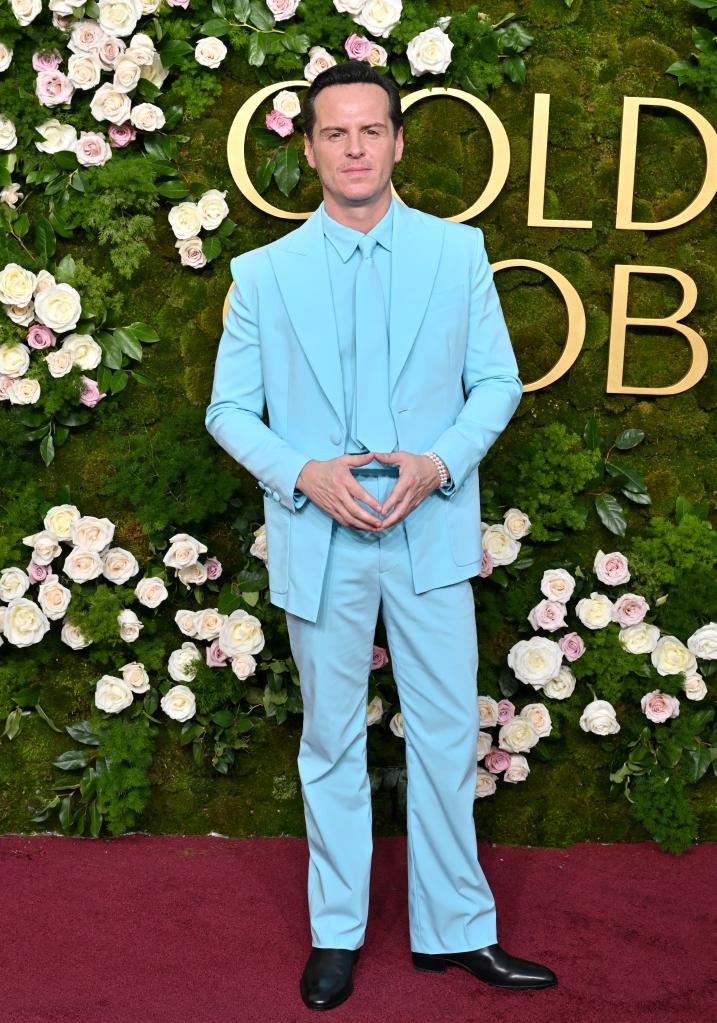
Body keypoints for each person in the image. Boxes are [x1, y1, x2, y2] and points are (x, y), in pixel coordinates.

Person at [205, 59, 557, 1012]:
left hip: (428, 526)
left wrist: (437, 464)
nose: (354, 148)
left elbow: (496, 384)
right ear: (309, 149)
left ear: (398, 141)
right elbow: (230, 412)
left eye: (371, 131)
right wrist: (302, 473)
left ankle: (458, 930)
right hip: (321, 535)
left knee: (446, 734)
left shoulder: (457, 253)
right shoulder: (263, 275)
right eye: (334, 133)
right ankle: (335, 933)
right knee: (329, 740)